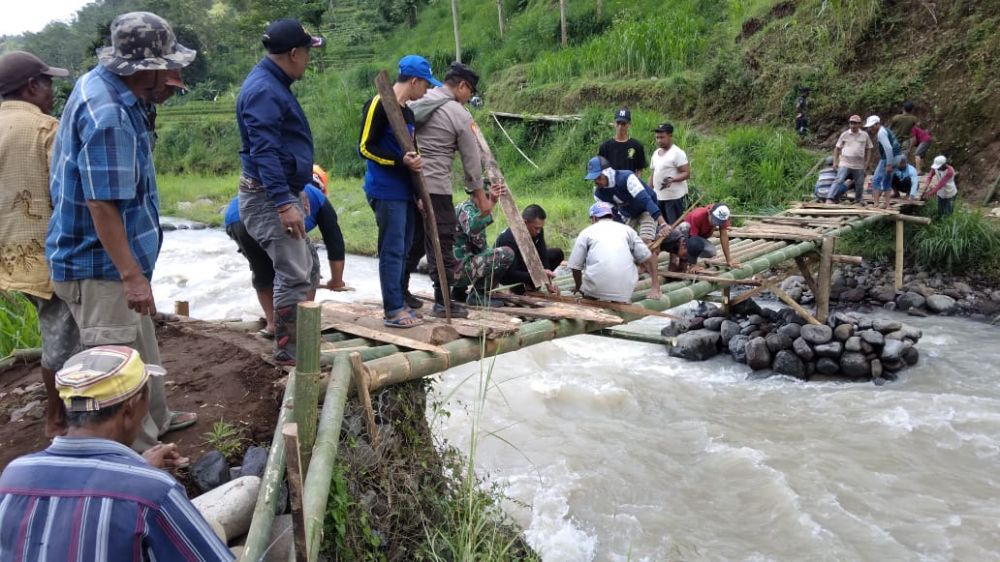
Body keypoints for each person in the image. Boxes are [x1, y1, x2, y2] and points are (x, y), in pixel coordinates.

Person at [45, 12, 198, 452]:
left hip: (111, 261)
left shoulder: (112, 90)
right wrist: (131, 275)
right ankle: (140, 457)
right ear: (143, 70)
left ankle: (158, 419)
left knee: (141, 346)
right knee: (119, 369)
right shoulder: (109, 113)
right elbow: (101, 204)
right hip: (99, 266)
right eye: (168, 66)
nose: (175, 74)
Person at [0, 346, 233, 561]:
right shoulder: (154, 492)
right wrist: (143, 478)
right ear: (130, 408)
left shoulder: (13, 476)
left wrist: (140, 470)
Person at [236, 19, 324, 364]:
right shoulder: (264, 91)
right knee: (293, 272)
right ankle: (289, 353)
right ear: (293, 53)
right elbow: (264, 150)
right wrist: (283, 201)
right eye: (307, 52)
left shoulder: (274, 84)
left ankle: (301, 341)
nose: (309, 60)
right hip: (266, 197)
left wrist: (292, 191)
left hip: (279, 191)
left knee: (309, 266)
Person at [0, 51, 71, 438]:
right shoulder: (46, 129)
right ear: (31, 86)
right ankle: (57, 418)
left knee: (53, 329)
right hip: (48, 254)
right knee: (61, 335)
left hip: (10, 257)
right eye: (48, 83)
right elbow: (66, 195)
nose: (52, 91)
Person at [358, 55, 438, 327]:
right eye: (425, 85)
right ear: (414, 81)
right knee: (392, 250)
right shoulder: (379, 103)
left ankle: (399, 301)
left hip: (405, 191)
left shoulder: (408, 113)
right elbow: (365, 147)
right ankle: (393, 309)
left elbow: (411, 153)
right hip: (385, 188)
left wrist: (418, 194)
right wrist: (398, 162)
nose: (426, 91)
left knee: (403, 250)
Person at [410, 62, 490, 318]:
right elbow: (471, 161)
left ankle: (399, 292)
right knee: (443, 242)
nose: (469, 97)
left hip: (411, 184)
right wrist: (480, 197)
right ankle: (443, 301)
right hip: (436, 187)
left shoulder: (420, 99)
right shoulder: (459, 113)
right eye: (470, 91)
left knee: (413, 241)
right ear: (462, 86)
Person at [224, 182, 348, 336]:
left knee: (262, 269)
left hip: (236, 220)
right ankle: (301, 323)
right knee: (309, 267)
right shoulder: (318, 197)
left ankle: (272, 324)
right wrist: (337, 280)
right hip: (270, 216)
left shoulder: (288, 185)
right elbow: (335, 241)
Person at [585, 155, 666, 298]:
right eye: (594, 179)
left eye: (599, 178)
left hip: (646, 209)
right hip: (628, 214)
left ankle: (655, 286)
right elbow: (611, 216)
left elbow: (646, 200)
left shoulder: (627, 177)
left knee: (645, 244)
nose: (597, 182)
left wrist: (662, 223)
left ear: (608, 172)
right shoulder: (599, 193)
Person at [569, 202, 655, 303]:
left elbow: (575, 266)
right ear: (611, 216)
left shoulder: (586, 232)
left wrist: (579, 287)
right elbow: (648, 257)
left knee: (590, 292)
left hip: (595, 290)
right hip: (625, 290)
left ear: (594, 218)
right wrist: (655, 287)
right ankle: (620, 300)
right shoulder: (627, 230)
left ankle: (592, 299)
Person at [454, 182, 514, 307]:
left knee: (492, 256)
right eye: (486, 197)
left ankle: (458, 292)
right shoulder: (466, 209)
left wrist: (493, 270)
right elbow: (473, 228)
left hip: (456, 268)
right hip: (455, 271)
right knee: (506, 254)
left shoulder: (472, 209)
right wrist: (491, 203)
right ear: (477, 196)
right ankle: (477, 296)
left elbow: (480, 246)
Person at [495, 204, 564, 295]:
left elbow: (542, 255)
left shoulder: (538, 231)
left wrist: (548, 282)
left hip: (526, 263)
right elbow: (511, 273)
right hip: (508, 272)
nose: (538, 231)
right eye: (536, 228)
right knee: (518, 287)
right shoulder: (508, 239)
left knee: (557, 254)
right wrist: (539, 275)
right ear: (524, 222)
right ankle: (519, 287)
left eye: (540, 228)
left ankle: (532, 284)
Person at [648, 122, 690, 224]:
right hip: (658, 196)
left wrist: (673, 179)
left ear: (670, 136)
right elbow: (653, 174)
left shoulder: (677, 153)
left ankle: (679, 240)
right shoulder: (656, 153)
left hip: (673, 198)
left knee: (674, 225)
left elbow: (686, 173)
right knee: (661, 225)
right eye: (657, 137)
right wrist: (648, 191)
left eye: (662, 137)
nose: (659, 140)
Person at [681, 203, 740, 272]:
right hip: (683, 237)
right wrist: (693, 265)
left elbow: (724, 236)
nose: (715, 224)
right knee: (694, 245)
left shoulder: (723, 216)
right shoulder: (697, 216)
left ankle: (688, 257)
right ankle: (685, 257)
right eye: (714, 220)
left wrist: (729, 260)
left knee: (711, 251)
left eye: (718, 222)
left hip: (697, 238)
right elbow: (693, 242)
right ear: (709, 213)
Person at [833, 114, 873, 205]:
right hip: (845, 162)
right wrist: (835, 161)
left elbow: (869, 148)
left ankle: (858, 199)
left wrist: (867, 162)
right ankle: (832, 197)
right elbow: (837, 148)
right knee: (839, 180)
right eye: (851, 123)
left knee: (859, 183)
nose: (853, 125)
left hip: (859, 164)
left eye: (855, 123)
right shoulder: (844, 134)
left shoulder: (865, 135)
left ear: (859, 124)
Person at [864, 115, 901, 209]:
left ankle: (876, 204)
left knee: (876, 180)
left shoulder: (881, 133)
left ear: (877, 124)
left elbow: (888, 148)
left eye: (872, 126)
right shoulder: (886, 130)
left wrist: (889, 164)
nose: (870, 129)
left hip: (888, 158)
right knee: (887, 181)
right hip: (897, 156)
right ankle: (887, 205)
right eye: (869, 127)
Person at [598, 107, 647, 175]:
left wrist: (636, 182)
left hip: (629, 183)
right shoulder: (605, 146)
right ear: (614, 123)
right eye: (618, 123)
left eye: (623, 123)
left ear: (629, 124)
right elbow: (600, 168)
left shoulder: (637, 146)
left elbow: (639, 169)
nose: (620, 126)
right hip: (611, 184)